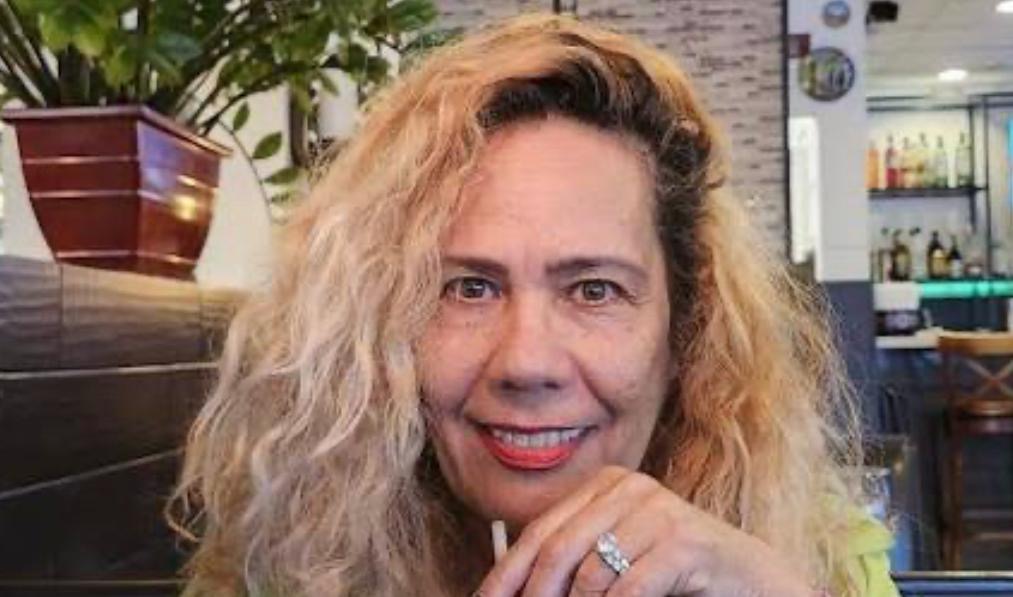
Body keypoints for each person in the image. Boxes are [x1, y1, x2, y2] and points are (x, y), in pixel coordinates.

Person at [171, 13, 898, 597]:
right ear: (382, 319)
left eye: (593, 290)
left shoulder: (813, 555)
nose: (525, 362)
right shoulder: (287, 555)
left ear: (686, 328)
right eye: (469, 287)